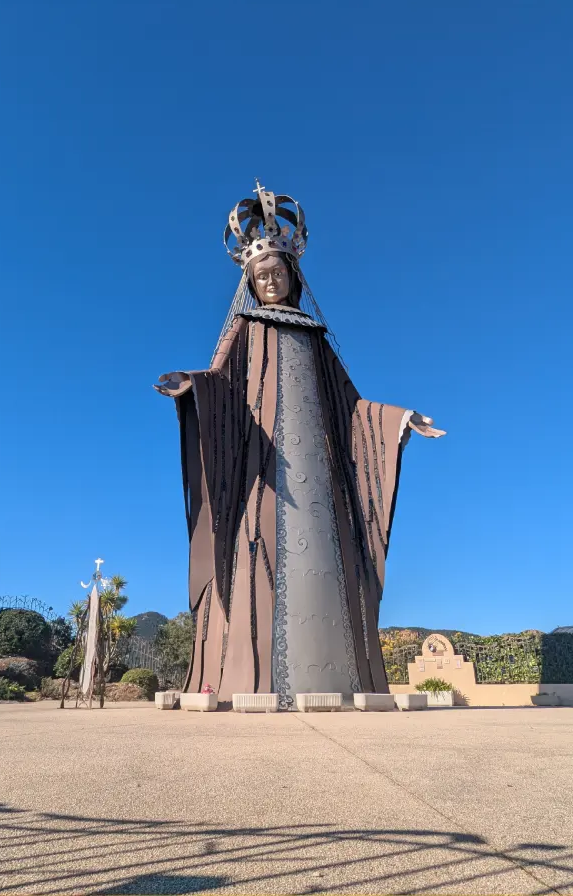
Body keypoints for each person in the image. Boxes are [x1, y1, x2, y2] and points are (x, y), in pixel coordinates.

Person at [156, 183, 443, 706]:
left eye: (277, 273)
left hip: (321, 485)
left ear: (293, 276)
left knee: (331, 561)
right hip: (264, 472)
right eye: (260, 276)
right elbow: (220, 381)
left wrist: (400, 418)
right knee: (259, 557)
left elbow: (353, 406)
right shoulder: (244, 329)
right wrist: (191, 386)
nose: (270, 281)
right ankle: (253, 676)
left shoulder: (315, 336)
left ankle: (343, 675)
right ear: (250, 283)